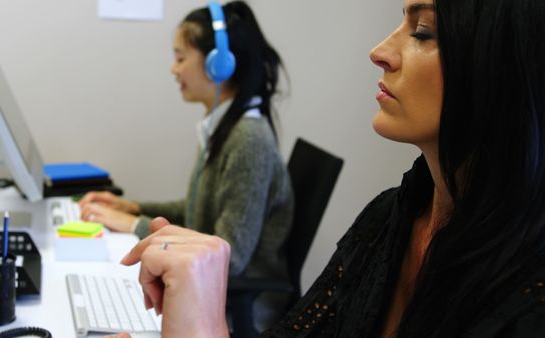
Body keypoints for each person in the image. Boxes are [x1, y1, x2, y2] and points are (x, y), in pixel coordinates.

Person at [105, 0, 545, 337]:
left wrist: (135, 225)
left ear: (506, 61)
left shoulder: (527, 297)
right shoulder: (388, 218)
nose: (379, 51)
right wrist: (134, 207)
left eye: (424, 31)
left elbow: (234, 249)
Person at [80, 0, 294, 331]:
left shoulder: (249, 140)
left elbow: (229, 256)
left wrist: (134, 227)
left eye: (180, 58)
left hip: (239, 311)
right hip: (210, 292)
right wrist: (132, 207)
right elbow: (197, 211)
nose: (173, 69)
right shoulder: (221, 126)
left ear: (218, 65)